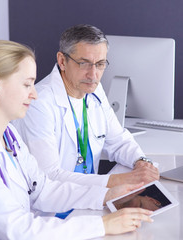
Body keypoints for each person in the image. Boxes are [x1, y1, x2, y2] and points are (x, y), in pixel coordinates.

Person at [0, 40, 154, 239]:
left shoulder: (8, 134)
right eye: (26, 84)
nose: (34, 94)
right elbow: (19, 229)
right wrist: (102, 225)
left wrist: (106, 196)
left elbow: (42, 190)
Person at [13, 24, 159, 190]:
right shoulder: (39, 103)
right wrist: (117, 181)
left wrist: (140, 162)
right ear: (62, 61)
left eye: (100, 64)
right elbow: (49, 176)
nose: (93, 74)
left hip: (89, 197)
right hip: (54, 207)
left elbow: (118, 141)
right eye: (84, 63)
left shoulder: (95, 90)